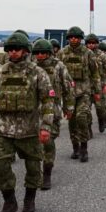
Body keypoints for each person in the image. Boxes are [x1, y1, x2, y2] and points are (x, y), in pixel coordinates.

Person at [0, 32, 54, 212]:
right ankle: (9, 201)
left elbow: (47, 100)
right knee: (1, 167)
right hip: (4, 130)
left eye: (17, 49)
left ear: (25, 51)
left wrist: (46, 126)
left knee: (34, 167)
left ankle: (30, 199)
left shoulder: (37, 73)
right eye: (10, 49)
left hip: (30, 129)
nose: (13, 52)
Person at [31, 39, 73, 190]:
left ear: (49, 52)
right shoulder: (30, 66)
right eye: (37, 53)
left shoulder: (59, 66)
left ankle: (47, 173)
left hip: (52, 110)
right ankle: (36, 173)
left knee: (47, 142)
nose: (40, 55)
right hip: (32, 112)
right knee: (35, 146)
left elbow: (68, 88)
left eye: (43, 52)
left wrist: (69, 107)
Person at [58, 27, 100, 163]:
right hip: (68, 93)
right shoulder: (62, 53)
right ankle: (75, 147)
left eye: (76, 37)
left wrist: (97, 91)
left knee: (82, 117)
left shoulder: (88, 53)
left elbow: (95, 73)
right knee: (72, 121)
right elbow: (56, 72)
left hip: (84, 92)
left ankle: (84, 147)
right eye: (71, 37)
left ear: (81, 39)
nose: (74, 40)